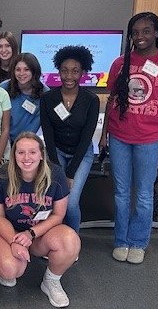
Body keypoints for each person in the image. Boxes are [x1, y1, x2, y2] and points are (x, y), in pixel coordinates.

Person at [100, 12, 158, 264]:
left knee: (144, 194)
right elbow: (112, 99)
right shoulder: (119, 63)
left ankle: (138, 242)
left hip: (149, 137)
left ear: (157, 33)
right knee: (121, 192)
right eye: (135, 32)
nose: (140, 36)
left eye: (146, 31)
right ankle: (121, 240)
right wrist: (104, 134)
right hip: (119, 136)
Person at [0, 132, 80, 308]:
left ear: (41, 155)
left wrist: (31, 234)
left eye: (32, 152)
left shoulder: (56, 174)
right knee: (9, 271)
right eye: (20, 152)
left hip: (39, 233)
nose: (26, 157)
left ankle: (51, 281)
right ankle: (12, 258)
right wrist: (13, 241)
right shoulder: (1, 177)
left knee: (71, 241)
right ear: (14, 155)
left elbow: (58, 215)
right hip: (8, 232)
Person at [40, 45, 99, 233]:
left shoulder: (91, 100)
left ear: (83, 72)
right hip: (56, 152)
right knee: (55, 200)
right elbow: (48, 134)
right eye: (64, 71)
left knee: (71, 203)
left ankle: (72, 241)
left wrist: (70, 173)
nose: (69, 76)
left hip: (81, 155)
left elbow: (86, 137)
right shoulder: (48, 98)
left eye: (75, 71)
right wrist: (57, 168)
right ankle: (54, 239)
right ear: (58, 71)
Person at [1, 52, 49, 143]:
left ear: (34, 71)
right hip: (4, 141)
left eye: (26, 69)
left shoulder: (45, 93)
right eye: (18, 69)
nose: (21, 73)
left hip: (29, 142)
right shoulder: (4, 88)